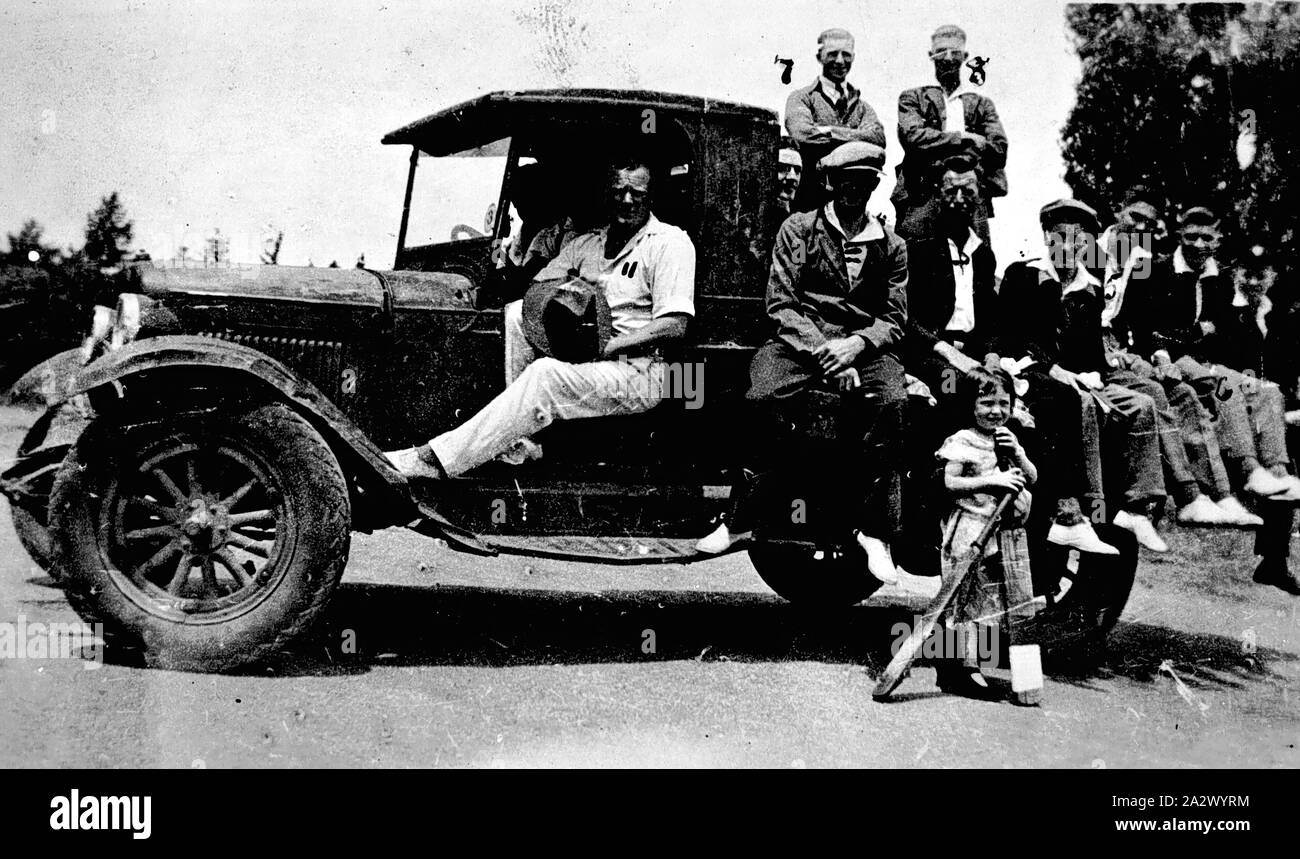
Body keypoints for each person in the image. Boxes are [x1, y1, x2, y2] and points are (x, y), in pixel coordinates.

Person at [383, 155, 696, 479]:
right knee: (517, 313)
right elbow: (538, 288)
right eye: (618, 191)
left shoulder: (669, 243)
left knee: (545, 374)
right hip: (590, 358)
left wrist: (614, 344)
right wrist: (573, 297)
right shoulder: (588, 244)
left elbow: (675, 324)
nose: (627, 200)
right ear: (608, 193)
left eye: (637, 193)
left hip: (640, 371)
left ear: (650, 195)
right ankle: (521, 441)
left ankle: (435, 461)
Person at [695, 141, 907, 585]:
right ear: (830, 183)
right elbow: (782, 305)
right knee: (761, 395)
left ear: (874, 186)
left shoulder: (892, 245)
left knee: (892, 404)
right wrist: (827, 353)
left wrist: (855, 346)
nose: (853, 191)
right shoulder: (798, 229)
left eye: (864, 182)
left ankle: (875, 531)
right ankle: (742, 518)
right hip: (801, 344)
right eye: (845, 182)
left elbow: (894, 319)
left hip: (863, 350)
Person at [898, 155, 1115, 569]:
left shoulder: (983, 255)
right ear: (938, 195)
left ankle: (1048, 503)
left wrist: (993, 357)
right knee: (963, 394)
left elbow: (992, 322)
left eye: (970, 192)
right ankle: (943, 501)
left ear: (981, 198)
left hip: (974, 354)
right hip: (933, 352)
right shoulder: (919, 246)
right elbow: (907, 317)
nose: (960, 199)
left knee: (1033, 399)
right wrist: (951, 354)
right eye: (951, 191)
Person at [995, 199, 1171, 553]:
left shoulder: (1088, 292)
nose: (1068, 248)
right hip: (1028, 375)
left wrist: (1095, 373)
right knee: (1082, 401)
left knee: (1142, 403)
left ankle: (1139, 507)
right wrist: (1056, 368)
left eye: (1078, 242)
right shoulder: (1024, 275)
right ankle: (1088, 506)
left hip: (1075, 378)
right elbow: (1013, 336)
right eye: (1060, 238)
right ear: (1046, 237)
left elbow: (1090, 355)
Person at [1099, 191, 1260, 527]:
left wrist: (1154, 353)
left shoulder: (1140, 258)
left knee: (1183, 394)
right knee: (1157, 392)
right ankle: (1185, 493)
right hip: (1091, 349)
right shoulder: (1088, 249)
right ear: (1118, 211)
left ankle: (1217, 495)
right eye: (1134, 218)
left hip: (1121, 349)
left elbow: (1139, 319)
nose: (1140, 226)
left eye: (1148, 223)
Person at [1134, 206, 1300, 501]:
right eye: (1191, 237)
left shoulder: (1219, 278)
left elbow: (1221, 331)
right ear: (1179, 235)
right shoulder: (1158, 271)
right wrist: (1183, 342)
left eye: (1206, 238)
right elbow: (1149, 326)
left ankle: (1277, 470)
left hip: (1205, 361)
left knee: (1266, 391)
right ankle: (1249, 468)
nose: (1198, 245)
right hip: (1170, 358)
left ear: (1217, 239)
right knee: (1224, 385)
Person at [934, 367, 1038, 698]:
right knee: (964, 601)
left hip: (1002, 532)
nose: (996, 411)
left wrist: (1019, 454)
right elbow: (951, 483)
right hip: (971, 530)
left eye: (1004, 403)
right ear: (971, 405)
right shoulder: (963, 440)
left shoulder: (1007, 438)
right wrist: (992, 481)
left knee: (989, 602)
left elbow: (1032, 477)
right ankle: (960, 670)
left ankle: (975, 666)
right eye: (987, 403)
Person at [893, 25, 1007, 243]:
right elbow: (913, 138)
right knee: (916, 260)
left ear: (964, 57)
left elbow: (999, 149)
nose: (947, 58)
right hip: (922, 195)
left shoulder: (980, 103)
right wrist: (965, 138)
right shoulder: (913, 98)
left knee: (977, 259)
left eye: (955, 53)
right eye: (941, 51)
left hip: (970, 196)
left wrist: (936, 143)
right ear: (930, 55)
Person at [784, 28, 887, 212]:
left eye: (846, 54)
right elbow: (801, 134)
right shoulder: (801, 98)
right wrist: (858, 139)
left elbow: (878, 138)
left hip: (852, 203)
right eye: (832, 54)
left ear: (853, 57)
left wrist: (827, 131)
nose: (840, 61)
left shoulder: (863, 107)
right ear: (819, 56)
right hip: (809, 201)